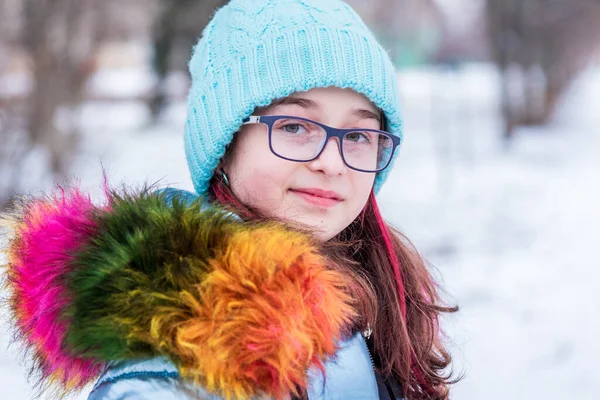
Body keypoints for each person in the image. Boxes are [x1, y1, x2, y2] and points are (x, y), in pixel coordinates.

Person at [1, 0, 458, 399]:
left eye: (358, 134)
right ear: (225, 146)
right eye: (295, 127)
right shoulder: (186, 329)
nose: (332, 163)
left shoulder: (380, 296)